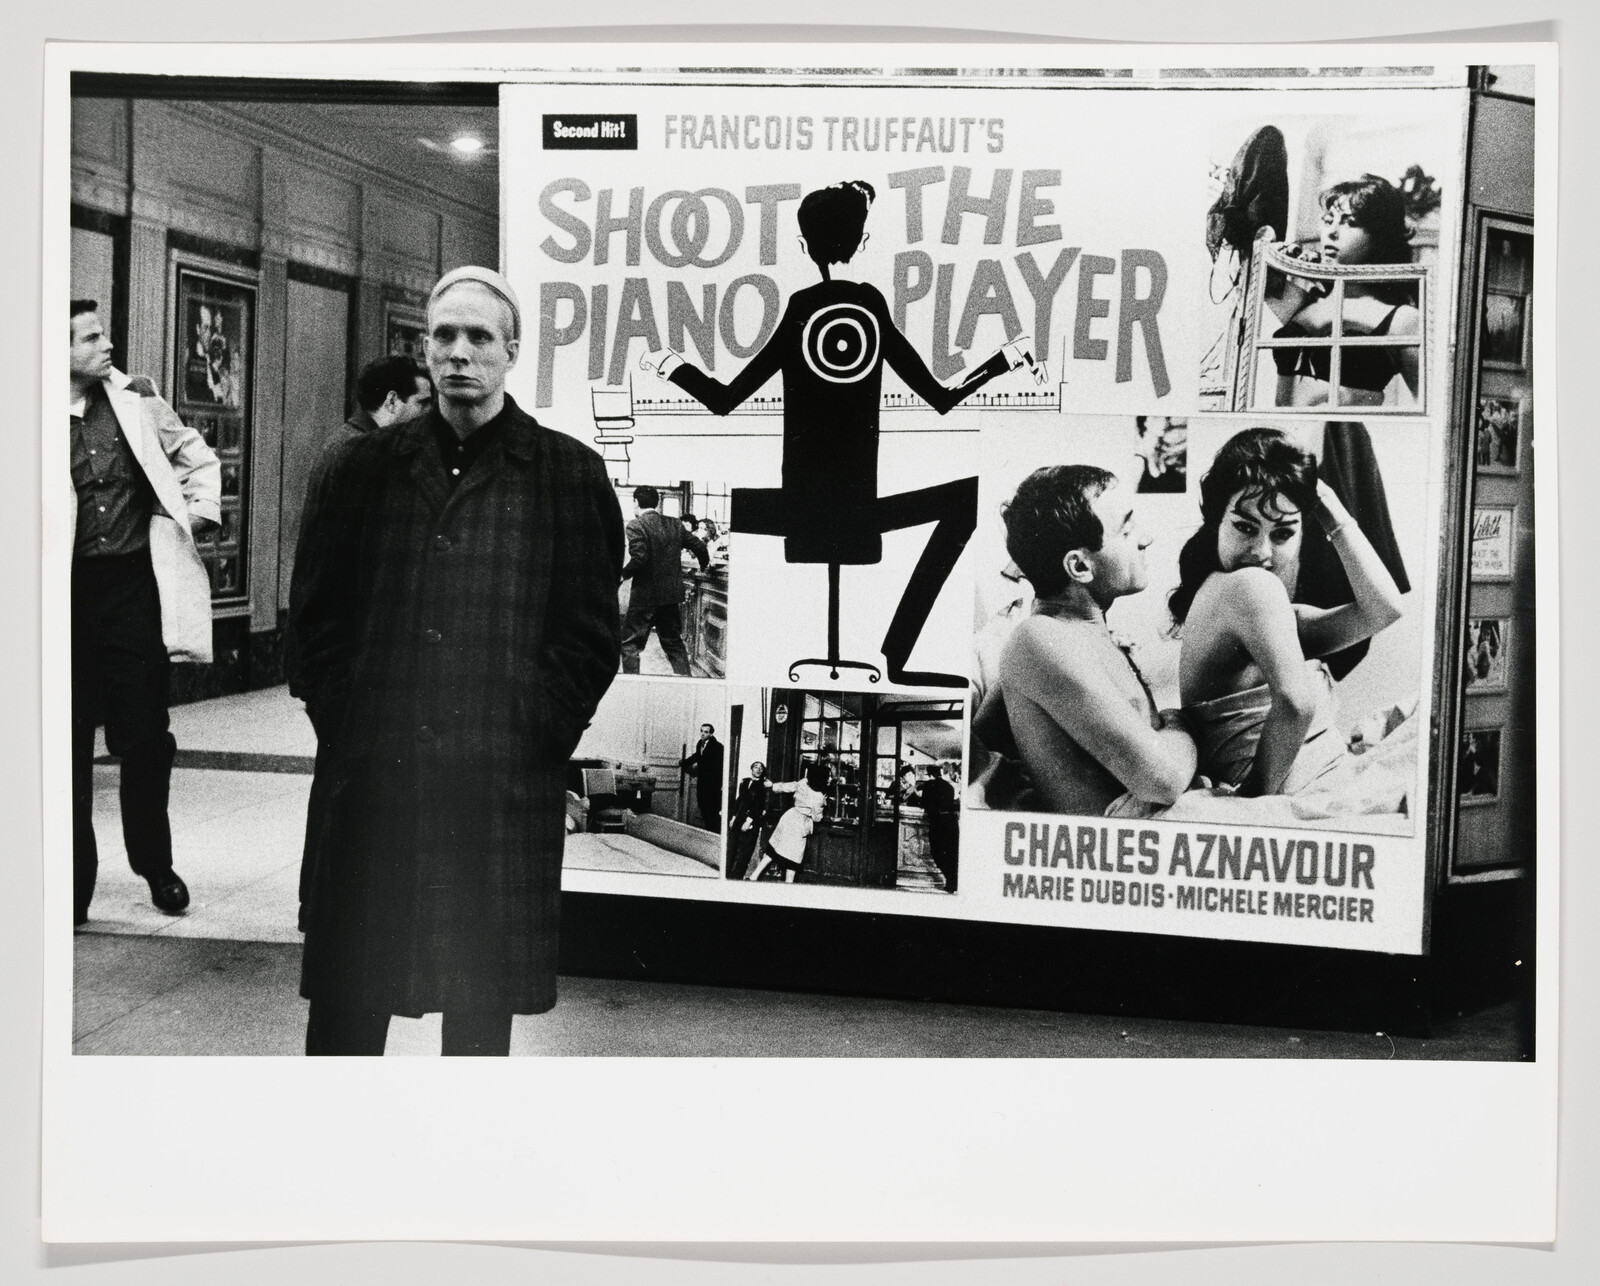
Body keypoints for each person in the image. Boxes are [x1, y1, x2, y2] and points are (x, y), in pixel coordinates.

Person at [288, 265, 623, 1057]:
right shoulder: (361, 468)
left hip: (495, 784)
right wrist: (350, 720)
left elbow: (587, 636)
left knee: (480, 1021)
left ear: (512, 352)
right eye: (444, 336)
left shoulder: (566, 474)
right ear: (424, 352)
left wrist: (531, 731)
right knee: (347, 1010)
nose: (459, 353)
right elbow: (314, 619)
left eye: (479, 337)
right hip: (374, 780)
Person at [643, 179, 1044, 687]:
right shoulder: (872, 307)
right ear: (861, 242)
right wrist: (1001, 361)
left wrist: (668, 364)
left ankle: (892, 656)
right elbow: (942, 398)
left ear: (805, 246)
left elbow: (724, 400)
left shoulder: (801, 307)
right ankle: (897, 654)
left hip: (797, 512)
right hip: (860, 513)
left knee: (723, 504)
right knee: (963, 502)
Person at [69, 300, 221, 925]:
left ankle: (155, 866)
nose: (106, 344)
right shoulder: (21, 413)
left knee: (146, 737)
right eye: (90, 337)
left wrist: (196, 515)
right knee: (66, 742)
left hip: (133, 587)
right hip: (64, 593)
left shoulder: (137, 401)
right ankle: (73, 878)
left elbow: (196, 454)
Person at [1168, 428, 1404, 797]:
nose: (1261, 552)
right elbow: (1296, 704)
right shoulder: (1249, 588)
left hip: (1324, 783)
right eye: (1245, 528)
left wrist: (1329, 509)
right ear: (1216, 520)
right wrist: (1253, 801)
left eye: (1282, 534)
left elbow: (1383, 611)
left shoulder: (1263, 605)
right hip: (1301, 797)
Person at [972, 465, 1197, 816]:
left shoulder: (1075, 638)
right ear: (1079, 567)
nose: (1145, 538)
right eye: (1127, 530)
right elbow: (1162, 780)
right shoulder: (1039, 638)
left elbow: (988, 735)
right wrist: (1176, 721)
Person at [1266, 174, 1424, 408]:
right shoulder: (1306, 302)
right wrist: (1277, 256)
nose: (1332, 232)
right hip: (1283, 434)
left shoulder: (1402, 320)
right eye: (1329, 220)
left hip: (1344, 441)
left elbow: (1429, 407)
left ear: (1381, 236)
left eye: (1350, 222)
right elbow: (1249, 270)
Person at [620, 485, 708, 675]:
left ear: (636, 502)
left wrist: (622, 575)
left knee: (630, 646)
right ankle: (686, 682)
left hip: (644, 597)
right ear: (656, 503)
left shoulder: (636, 525)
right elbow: (700, 547)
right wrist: (704, 567)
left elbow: (640, 558)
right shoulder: (674, 524)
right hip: (670, 596)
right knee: (673, 643)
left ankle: (633, 688)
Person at [308, 354, 431, 484]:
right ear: (392, 401)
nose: (429, 411)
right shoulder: (363, 454)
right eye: (423, 403)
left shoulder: (346, 442)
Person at [746, 763, 831, 883]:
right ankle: (788, 885)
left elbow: (788, 786)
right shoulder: (819, 796)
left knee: (773, 850)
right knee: (793, 858)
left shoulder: (803, 783)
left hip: (789, 817)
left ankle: (753, 877)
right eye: (829, 776)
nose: (830, 779)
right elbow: (817, 818)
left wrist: (772, 785)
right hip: (800, 823)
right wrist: (824, 805)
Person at [915, 764, 959, 893]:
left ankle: (950, 879)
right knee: (951, 853)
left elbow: (924, 804)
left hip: (938, 823)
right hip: (951, 822)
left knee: (936, 852)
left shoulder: (929, 786)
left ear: (930, 775)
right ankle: (952, 882)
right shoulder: (949, 786)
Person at [726, 760, 771, 880]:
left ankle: (737, 877)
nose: (758, 769)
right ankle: (727, 875)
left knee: (744, 852)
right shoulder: (745, 782)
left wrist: (749, 821)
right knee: (732, 848)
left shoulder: (763, 785)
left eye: (761, 767)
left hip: (751, 821)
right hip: (739, 818)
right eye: (756, 767)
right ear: (751, 769)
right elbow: (740, 800)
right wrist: (734, 817)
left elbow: (759, 805)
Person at [681, 723, 725, 832]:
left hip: (712, 785)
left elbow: (719, 767)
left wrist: (719, 785)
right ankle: (708, 831)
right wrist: (685, 762)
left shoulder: (718, 747)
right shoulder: (700, 743)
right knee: (704, 808)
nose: (702, 734)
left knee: (712, 812)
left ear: (711, 733)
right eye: (701, 731)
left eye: (706, 732)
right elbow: (697, 756)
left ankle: (714, 834)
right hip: (702, 783)